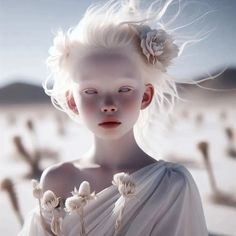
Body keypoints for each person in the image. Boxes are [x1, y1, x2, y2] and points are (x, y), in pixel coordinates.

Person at [18, 0, 209, 235]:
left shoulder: (171, 185)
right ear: (71, 102)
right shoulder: (57, 180)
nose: (108, 105)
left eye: (124, 89)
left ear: (145, 96)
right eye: (90, 92)